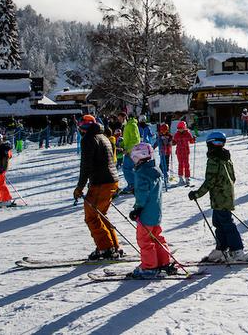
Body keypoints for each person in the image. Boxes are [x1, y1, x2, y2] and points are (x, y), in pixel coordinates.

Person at [188, 132, 248, 263]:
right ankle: (221, 248)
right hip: (225, 195)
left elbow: (210, 181)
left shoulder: (214, 159)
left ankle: (237, 250)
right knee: (218, 223)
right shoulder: (226, 157)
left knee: (227, 224)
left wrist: (197, 194)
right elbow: (233, 178)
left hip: (220, 197)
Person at [72, 114, 123, 260]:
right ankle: (112, 245)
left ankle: (106, 248)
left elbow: (86, 166)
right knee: (100, 214)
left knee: (92, 217)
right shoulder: (102, 136)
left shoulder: (89, 139)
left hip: (101, 182)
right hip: (111, 180)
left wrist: (79, 187)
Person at [129, 142, 177, 278]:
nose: (134, 161)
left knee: (144, 240)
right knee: (157, 237)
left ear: (140, 157)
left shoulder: (141, 173)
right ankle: (163, 261)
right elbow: (152, 190)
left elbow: (143, 193)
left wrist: (137, 209)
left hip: (145, 214)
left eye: (135, 158)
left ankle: (150, 267)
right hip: (156, 212)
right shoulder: (154, 170)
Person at [119, 115, 139, 195]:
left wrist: (127, 150)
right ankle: (134, 184)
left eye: (120, 118)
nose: (119, 120)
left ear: (124, 117)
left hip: (132, 151)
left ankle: (132, 185)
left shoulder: (132, 125)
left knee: (127, 168)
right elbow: (127, 139)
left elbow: (135, 140)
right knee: (129, 168)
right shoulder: (127, 125)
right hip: (129, 150)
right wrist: (121, 145)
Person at [173, 121, 195, 186]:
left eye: (181, 128)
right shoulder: (176, 134)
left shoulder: (188, 134)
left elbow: (191, 141)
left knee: (186, 165)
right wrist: (172, 142)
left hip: (185, 151)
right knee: (180, 165)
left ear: (184, 127)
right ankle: (180, 178)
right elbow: (174, 142)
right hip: (179, 152)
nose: (180, 129)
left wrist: (193, 139)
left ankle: (187, 178)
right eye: (179, 128)